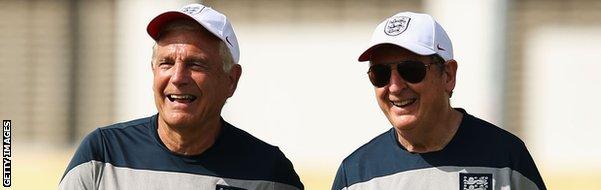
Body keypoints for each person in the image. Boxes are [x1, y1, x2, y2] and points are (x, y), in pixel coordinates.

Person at [59, 4, 304, 190]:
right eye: (166, 63)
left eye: (196, 64)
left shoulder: (270, 174)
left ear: (231, 80)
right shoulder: (102, 155)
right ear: (153, 71)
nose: (177, 77)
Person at [331, 12, 546, 190]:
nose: (395, 86)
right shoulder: (356, 175)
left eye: (411, 70)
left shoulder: (506, 160)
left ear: (448, 75)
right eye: (380, 73)